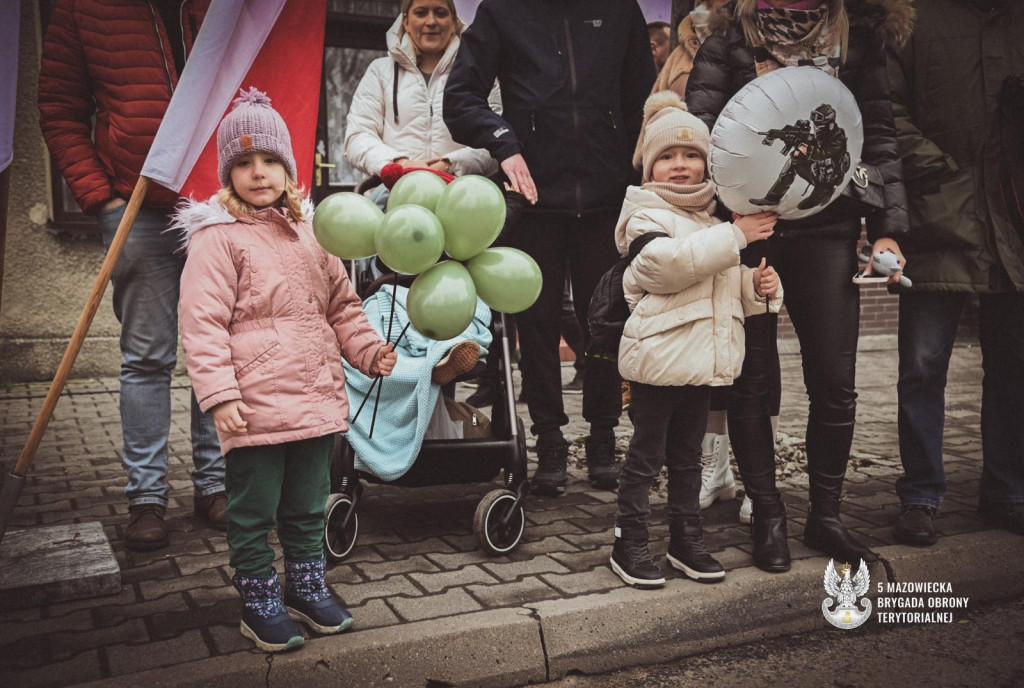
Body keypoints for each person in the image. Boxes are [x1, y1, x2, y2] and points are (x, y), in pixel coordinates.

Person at [686, 0, 911, 570]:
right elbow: (703, 131)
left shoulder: (857, 36)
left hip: (830, 230)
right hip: (751, 230)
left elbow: (877, 134)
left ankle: (825, 517)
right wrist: (725, 226)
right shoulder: (728, 38)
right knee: (751, 382)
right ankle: (768, 516)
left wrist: (885, 232)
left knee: (835, 381)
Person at [177, 89, 398, 652]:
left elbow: (343, 306)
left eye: (270, 161)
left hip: (316, 399)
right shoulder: (216, 239)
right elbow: (202, 325)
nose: (259, 173)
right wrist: (220, 395)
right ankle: (257, 599)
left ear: (288, 167)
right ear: (228, 172)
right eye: (245, 163)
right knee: (252, 511)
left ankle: (305, 584)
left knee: (306, 503)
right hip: (253, 405)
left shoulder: (313, 234)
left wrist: (369, 350)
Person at [444, 0, 657, 496]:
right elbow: (460, 98)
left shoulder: (620, 12)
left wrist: (639, 175)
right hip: (533, 203)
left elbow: (643, 104)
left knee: (604, 325)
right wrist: (504, 142)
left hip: (606, 202)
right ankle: (550, 443)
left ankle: (603, 438)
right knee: (536, 328)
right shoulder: (502, 13)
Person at [37, 0, 226, 551]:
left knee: (217, 349)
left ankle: (215, 486)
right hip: (137, 207)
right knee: (147, 356)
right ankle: (146, 499)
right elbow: (58, 108)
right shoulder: (84, 9)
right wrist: (102, 199)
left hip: (216, 203)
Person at [610, 92, 780, 588]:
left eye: (691, 156)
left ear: (708, 164)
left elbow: (721, 285)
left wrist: (757, 288)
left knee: (688, 456)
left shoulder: (715, 221)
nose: (679, 165)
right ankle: (630, 540)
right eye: (666, 156)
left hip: (703, 361)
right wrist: (737, 238)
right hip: (659, 358)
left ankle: (686, 536)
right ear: (648, 167)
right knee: (646, 456)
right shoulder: (644, 215)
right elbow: (663, 267)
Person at [888, 0, 1024, 545]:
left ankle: (1008, 490)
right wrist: (940, 172)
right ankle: (921, 494)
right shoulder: (915, 18)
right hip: (937, 218)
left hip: (1013, 220)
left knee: (1014, 366)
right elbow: (887, 113)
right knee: (922, 367)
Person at [344, 0, 500, 204]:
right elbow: (358, 136)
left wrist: (448, 164)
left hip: (461, 203)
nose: (431, 21)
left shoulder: (479, 75)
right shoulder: (379, 72)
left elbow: (497, 141)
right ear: (406, 22)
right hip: (394, 200)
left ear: (454, 22)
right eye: (421, 12)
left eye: (440, 13)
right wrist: (401, 164)